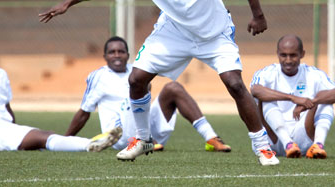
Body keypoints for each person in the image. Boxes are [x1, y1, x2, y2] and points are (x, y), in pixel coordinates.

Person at [39, 0, 278, 165]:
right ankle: (142, 139)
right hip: (173, 31)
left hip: (214, 33)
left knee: (235, 85)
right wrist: (68, 2)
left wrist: (258, 16)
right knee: (136, 79)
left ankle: (263, 147)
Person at [0, 32, 122, 153]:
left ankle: (89, 145)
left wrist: (16, 132)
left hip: (1, 127)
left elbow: (7, 108)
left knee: (42, 136)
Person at [65, 36, 231, 156]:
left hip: (146, 129)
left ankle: (211, 138)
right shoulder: (98, 76)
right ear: (105, 56)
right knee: (131, 96)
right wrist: (65, 140)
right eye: (112, 52)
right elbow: (84, 112)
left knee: (173, 87)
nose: (117, 55)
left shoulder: (136, 70)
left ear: (128, 55)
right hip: (120, 137)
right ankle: (146, 140)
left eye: (121, 52)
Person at [250, 34, 335, 159]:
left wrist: (310, 102)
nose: (288, 60)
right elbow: (255, 90)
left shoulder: (314, 74)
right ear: (277, 54)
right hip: (272, 141)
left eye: (293, 55)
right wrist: (292, 98)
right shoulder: (267, 73)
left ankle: (317, 145)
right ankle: (288, 143)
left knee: (325, 102)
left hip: (303, 138)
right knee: (266, 99)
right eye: (283, 55)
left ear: (302, 54)